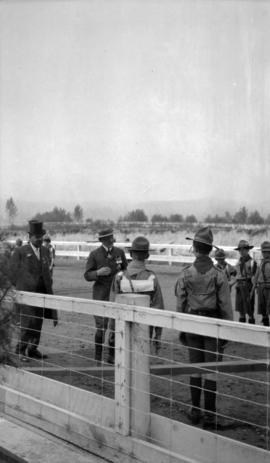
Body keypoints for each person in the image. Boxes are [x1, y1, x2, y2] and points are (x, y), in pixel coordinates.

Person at [175, 227, 233, 429]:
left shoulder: (186, 274)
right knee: (211, 370)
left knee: (195, 368)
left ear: (194, 248)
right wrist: (226, 331)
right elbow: (226, 306)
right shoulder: (219, 274)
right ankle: (209, 415)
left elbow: (180, 304)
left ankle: (195, 410)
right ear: (209, 250)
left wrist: (181, 327)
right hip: (213, 326)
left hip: (192, 325)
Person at [108, 236, 164, 364]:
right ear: (147, 255)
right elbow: (158, 307)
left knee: (123, 362)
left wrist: (112, 331)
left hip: (123, 326)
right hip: (145, 326)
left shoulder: (119, 277)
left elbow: (112, 306)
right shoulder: (152, 277)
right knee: (141, 362)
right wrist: (158, 334)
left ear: (131, 254)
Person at [10, 220, 58, 361]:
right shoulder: (20, 252)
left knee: (38, 323)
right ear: (29, 237)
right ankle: (20, 350)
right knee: (27, 323)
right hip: (27, 295)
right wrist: (22, 288)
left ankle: (32, 349)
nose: (39, 239)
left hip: (43, 294)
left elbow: (48, 272)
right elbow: (12, 274)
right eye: (36, 237)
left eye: (41, 236)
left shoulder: (45, 250)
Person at [84, 228, 127, 363]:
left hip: (117, 296)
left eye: (112, 237)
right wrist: (98, 273)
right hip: (100, 296)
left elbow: (126, 270)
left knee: (115, 327)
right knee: (101, 327)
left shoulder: (119, 253)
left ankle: (112, 356)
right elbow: (87, 275)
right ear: (102, 240)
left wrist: (122, 276)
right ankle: (98, 357)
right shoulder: (95, 254)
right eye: (108, 237)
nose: (111, 239)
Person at [234, 239, 257, 324]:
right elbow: (236, 274)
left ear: (248, 250)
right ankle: (241, 331)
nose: (241, 251)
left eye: (243, 249)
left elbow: (255, 277)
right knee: (241, 310)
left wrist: (252, 290)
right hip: (239, 287)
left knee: (250, 310)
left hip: (248, 286)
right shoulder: (238, 262)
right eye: (240, 249)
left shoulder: (252, 262)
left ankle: (252, 329)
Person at [252, 241, 270, 327]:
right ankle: (265, 323)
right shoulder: (261, 262)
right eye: (263, 251)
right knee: (263, 308)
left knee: (268, 307)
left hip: (268, 287)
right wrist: (253, 287)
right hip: (261, 287)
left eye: (266, 252)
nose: (264, 253)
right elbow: (257, 274)